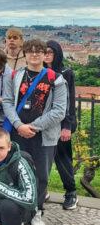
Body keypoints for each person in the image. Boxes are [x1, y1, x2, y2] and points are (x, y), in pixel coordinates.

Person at [3, 39, 67, 225]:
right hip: (18, 133)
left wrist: (33, 127)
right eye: (30, 51)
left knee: (41, 176)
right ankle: (20, 212)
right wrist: (18, 124)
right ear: (25, 54)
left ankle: (37, 211)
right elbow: (7, 101)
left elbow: (59, 111)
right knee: (17, 173)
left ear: (44, 54)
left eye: (39, 51)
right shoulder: (15, 76)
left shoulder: (56, 79)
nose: (34, 54)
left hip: (43, 136)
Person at [44, 40, 78, 210]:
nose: (48, 54)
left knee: (63, 159)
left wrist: (68, 126)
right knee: (42, 160)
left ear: (57, 53)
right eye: (45, 51)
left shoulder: (66, 72)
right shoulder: (40, 71)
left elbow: (69, 101)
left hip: (61, 123)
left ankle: (71, 192)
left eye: (51, 51)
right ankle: (42, 190)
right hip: (44, 124)